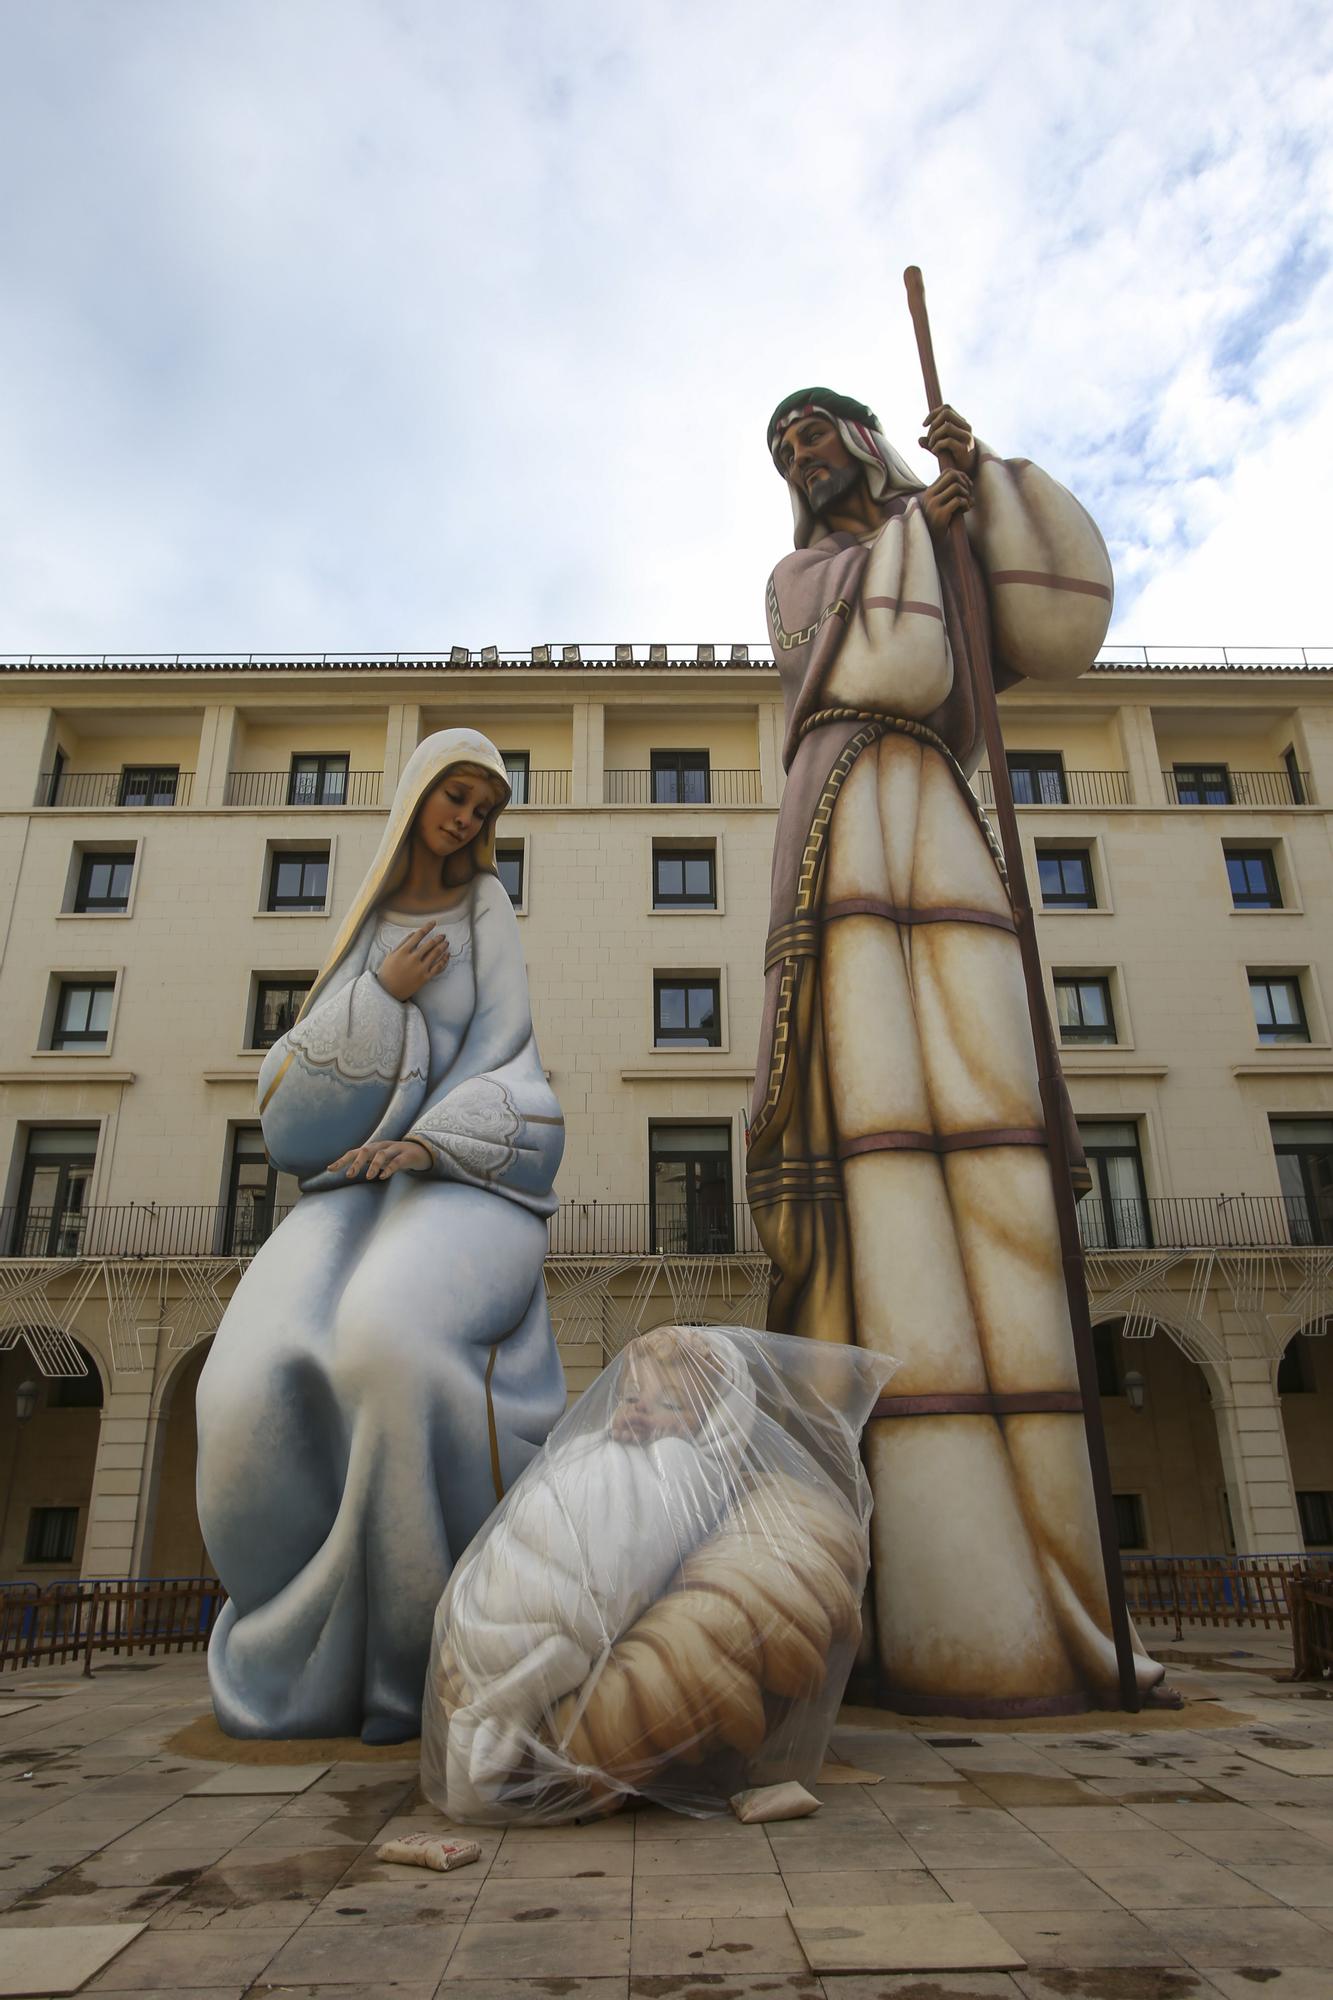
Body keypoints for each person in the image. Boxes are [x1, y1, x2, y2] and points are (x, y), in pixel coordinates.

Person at [749, 388, 1163, 1713]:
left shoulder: (930, 532)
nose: (806, 457)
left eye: (820, 433)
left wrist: (981, 479)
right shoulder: (805, 574)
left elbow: (1051, 623)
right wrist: (925, 538)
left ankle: (1059, 1602)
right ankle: (932, 1602)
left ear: (865, 441)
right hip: (848, 813)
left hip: (941, 810)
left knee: (995, 1134)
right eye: (784, 448)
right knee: (879, 1150)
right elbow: (884, 661)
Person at [196, 728, 566, 1743]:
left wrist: (429, 1144)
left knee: (383, 1341)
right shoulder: (366, 930)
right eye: (456, 796)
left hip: (461, 1171)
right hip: (345, 1187)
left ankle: (412, 1658)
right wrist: (382, 991)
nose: (468, 820)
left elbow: (509, 1053)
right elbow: (287, 1109)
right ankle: (296, 1633)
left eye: (484, 810)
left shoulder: (486, 907)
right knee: (248, 1375)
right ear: (416, 797)